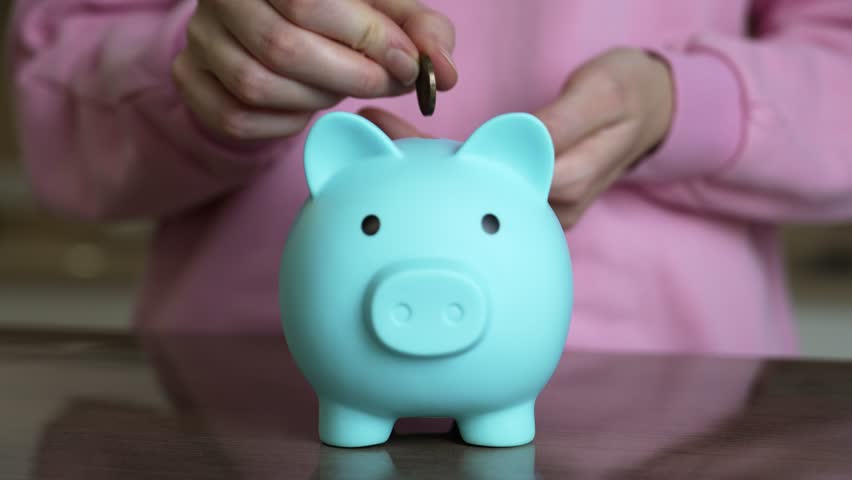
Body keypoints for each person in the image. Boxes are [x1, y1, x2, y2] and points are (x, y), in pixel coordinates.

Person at [9, 0, 852, 355]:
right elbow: (52, 82)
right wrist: (202, 71)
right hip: (238, 400)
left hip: (677, 405)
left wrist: (683, 105)